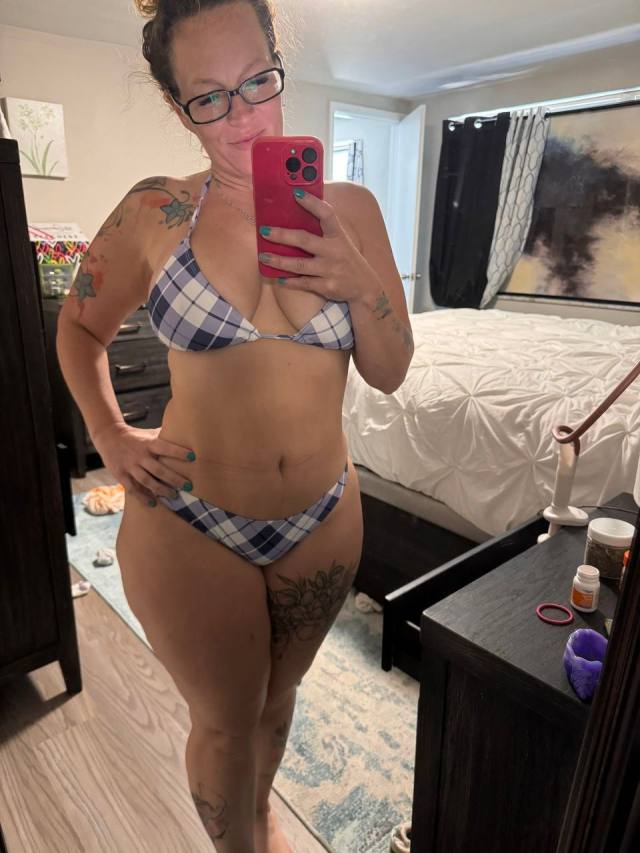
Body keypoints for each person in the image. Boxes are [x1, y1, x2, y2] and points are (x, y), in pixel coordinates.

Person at [56, 1, 413, 850]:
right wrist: (110, 434)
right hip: (191, 518)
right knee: (224, 721)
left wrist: (357, 279)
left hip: (323, 515)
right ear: (177, 105)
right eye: (210, 97)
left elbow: (392, 368)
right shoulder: (155, 212)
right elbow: (78, 327)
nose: (243, 115)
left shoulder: (352, 210)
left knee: (277, 702)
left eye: (257, 81)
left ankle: (258, 815)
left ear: (279, 63)